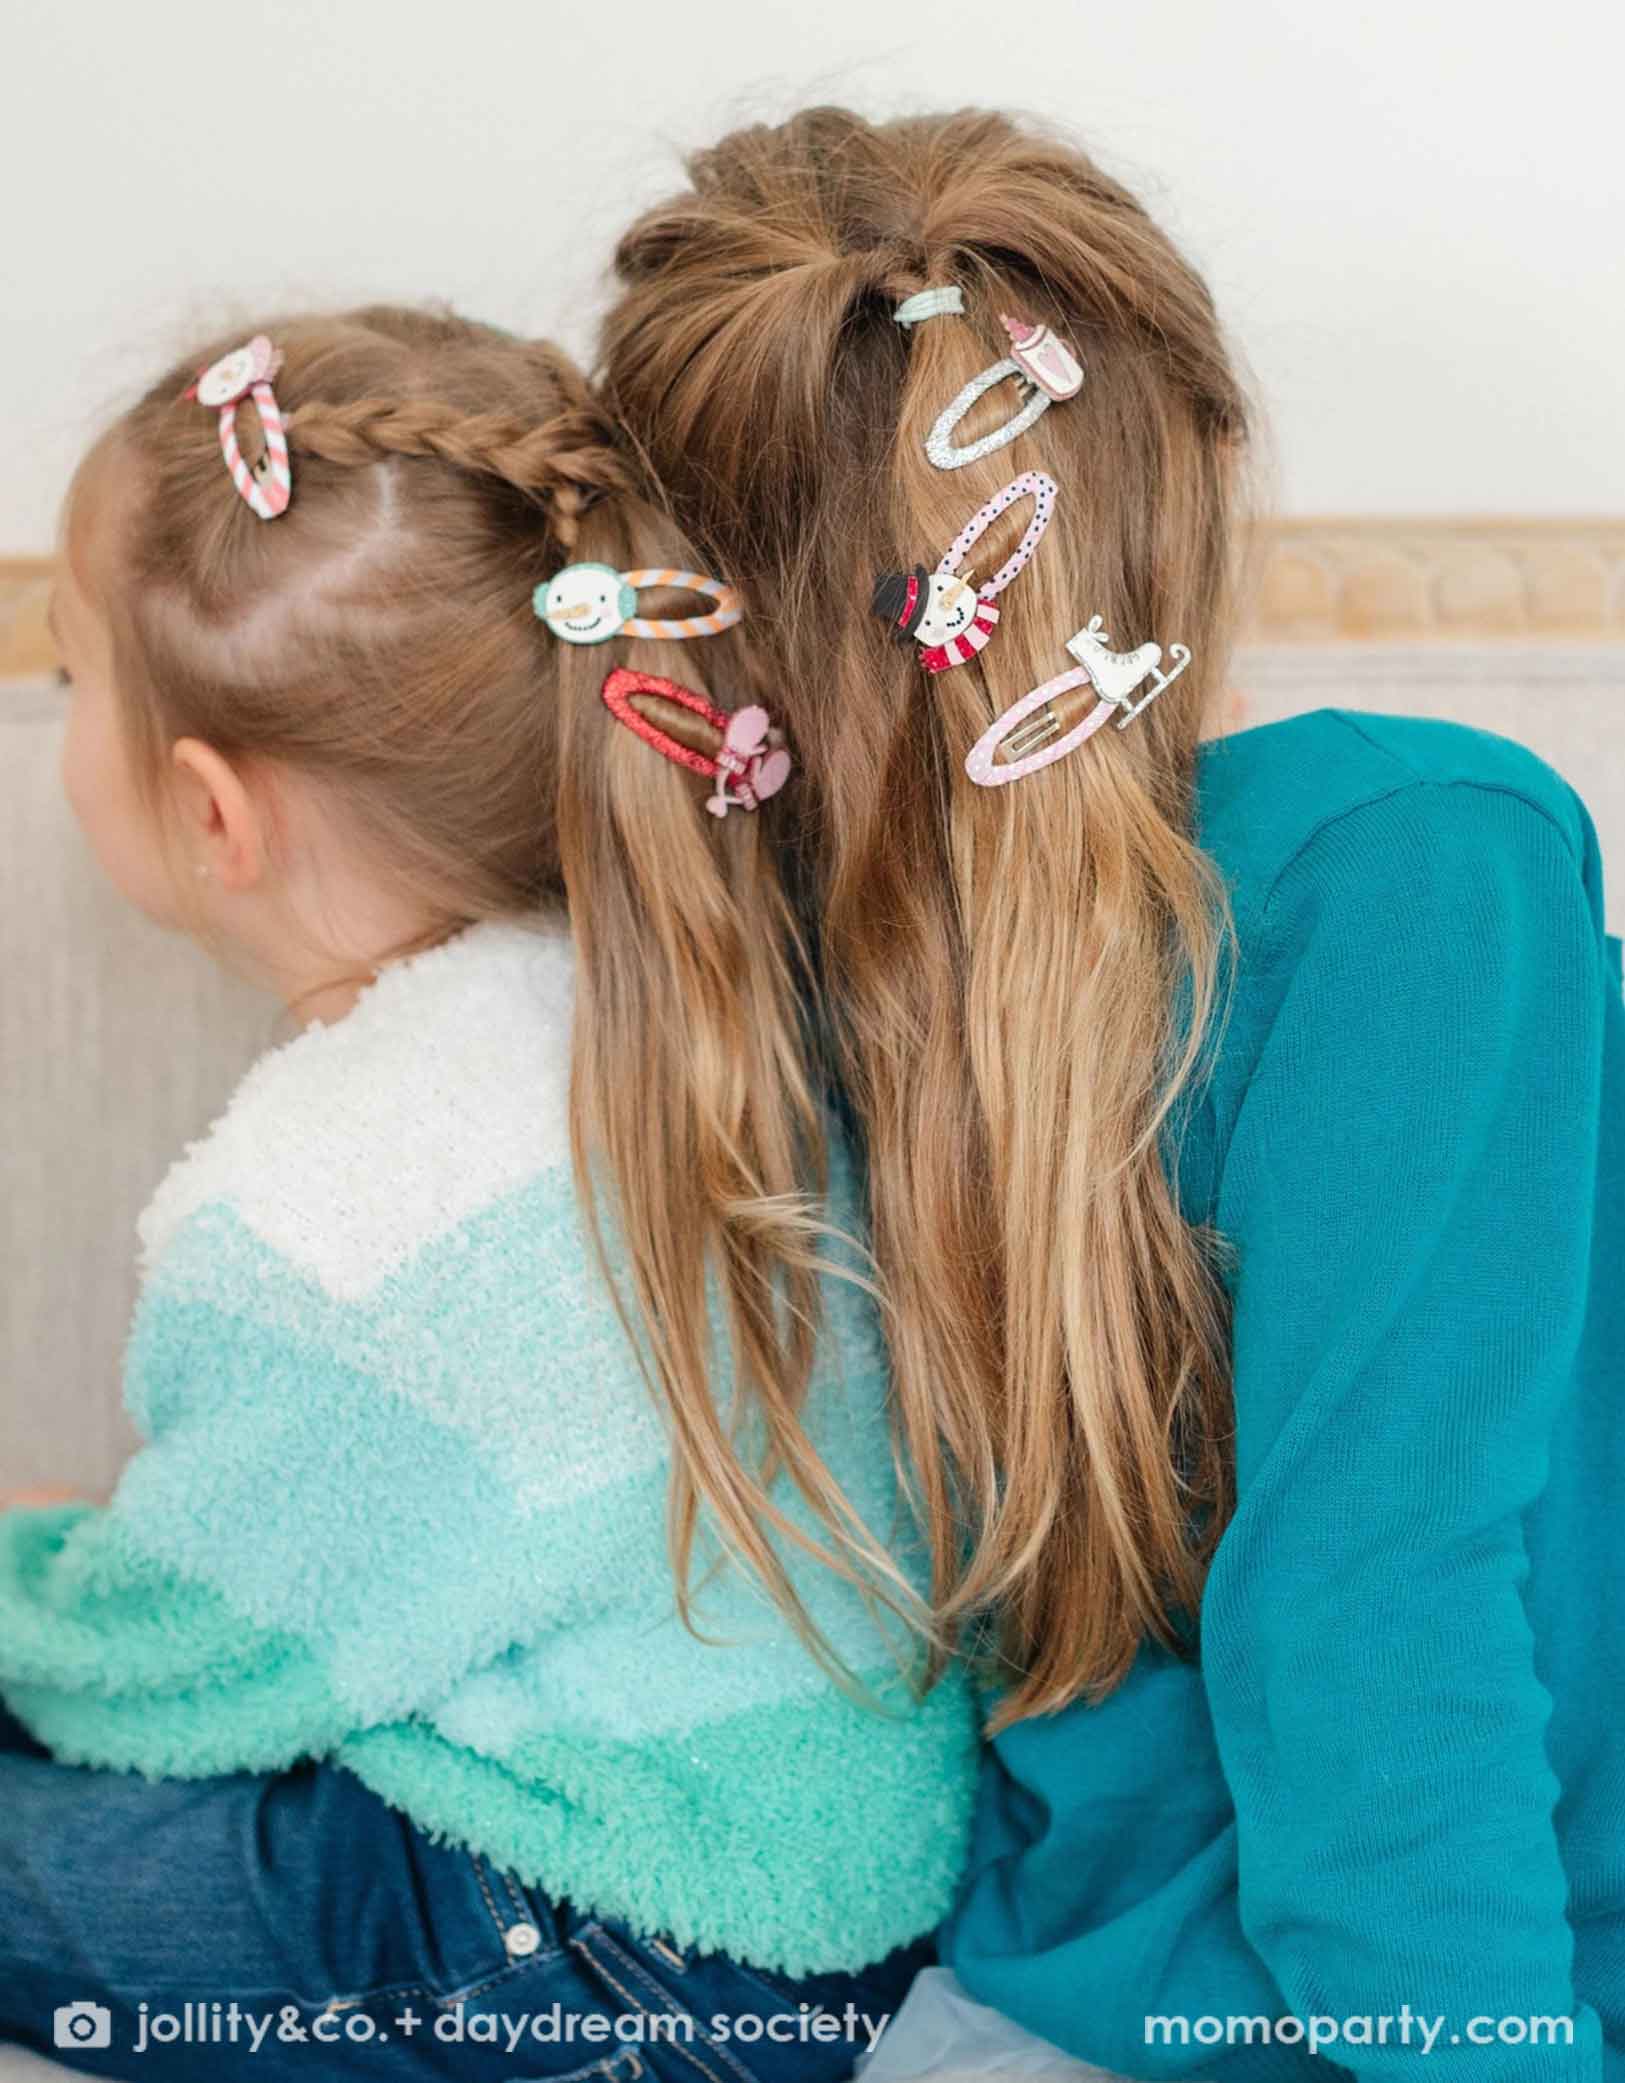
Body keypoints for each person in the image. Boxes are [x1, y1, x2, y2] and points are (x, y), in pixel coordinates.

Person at [591, 106, 1625, 2081]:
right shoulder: (1418, 859)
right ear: (1211, 469)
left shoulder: (766, 978)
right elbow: (1374, 1611)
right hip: (1466, 1990)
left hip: (1070, 1988)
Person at [0, 303, 980, 2082]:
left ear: (213, 813)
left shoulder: (333, 1215)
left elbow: (189, 1677)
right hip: (811, 1900)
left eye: (75, 680)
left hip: (598, 1952)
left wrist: (31, 1590)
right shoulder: (694, 1007)